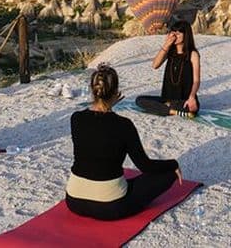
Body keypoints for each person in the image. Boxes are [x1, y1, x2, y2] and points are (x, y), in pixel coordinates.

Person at [65, 64, 182, 220]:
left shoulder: (76, 118)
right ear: (116, 93)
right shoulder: (123, 125)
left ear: (93, 90)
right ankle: (170, 172)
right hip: (110, 206)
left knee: (122, 179)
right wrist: (173, 164)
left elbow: (94, 143)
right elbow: (145, 165)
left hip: (74, 200)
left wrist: (109, 103)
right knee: (167, 175)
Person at [135, 20, 201, 118]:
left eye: (178, 34)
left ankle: (167, 109)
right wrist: (167, 44)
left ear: (186, 35)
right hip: (167, 99)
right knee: (139, 100)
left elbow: (196, 80)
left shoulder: (193, 54)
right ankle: (172, 111)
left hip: (184, 99)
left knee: (192, 108)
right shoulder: (170, 51)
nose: (174, 37)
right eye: (173, 33)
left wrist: (192, 97)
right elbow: (155, 65)